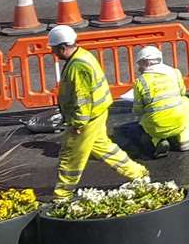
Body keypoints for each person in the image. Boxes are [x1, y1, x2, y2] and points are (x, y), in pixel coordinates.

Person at [47, 25, 148, 200]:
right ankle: (138, 174)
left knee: (71, 156)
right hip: (97, 113)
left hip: (86, 119)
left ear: (62, 47)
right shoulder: (83, 55)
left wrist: (78, 124)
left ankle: (62, 195)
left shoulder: (78, 67)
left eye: (54, 49)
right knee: (104, 148)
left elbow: (82, 98)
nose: (53, 53)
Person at [130, 45, 189, 158]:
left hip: (156, 127)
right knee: (184, 101)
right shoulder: (175, 72)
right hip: (179, 122)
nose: (138, 68)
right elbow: (182, 92)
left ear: (147, 62)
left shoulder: (140, 81)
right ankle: (184, 139)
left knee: (144, 118)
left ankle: (158, 141)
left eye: (140, 64)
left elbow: (138, 109)